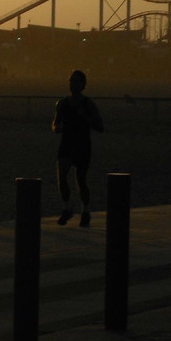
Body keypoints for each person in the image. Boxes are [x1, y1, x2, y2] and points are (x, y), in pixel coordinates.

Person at [52, 69, 104, 227]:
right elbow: (55, 124)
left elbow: (100, 126)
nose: (72, 84)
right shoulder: (62, 103)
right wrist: (57, 128)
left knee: (81, 180)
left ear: (83, 85)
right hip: (66, 144)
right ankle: (67, 207)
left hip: (82, 145)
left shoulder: (88, 104)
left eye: (76, 81)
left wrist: (85, 117)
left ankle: (85, 210)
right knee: (62, 177)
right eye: (71, 81)